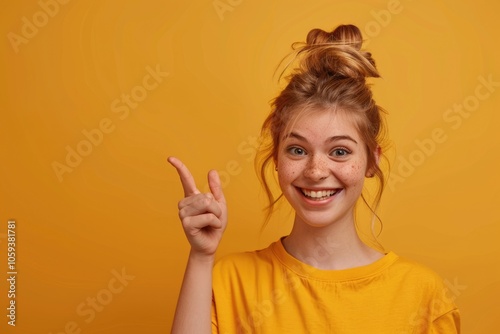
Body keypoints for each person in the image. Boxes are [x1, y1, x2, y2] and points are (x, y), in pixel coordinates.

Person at [168, 24, 461, 334]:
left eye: (339, 151)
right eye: (297, 150)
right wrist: (201, 257)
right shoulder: (229, 280)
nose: (315, 171)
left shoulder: (423, 295)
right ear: (277, 160)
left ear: (371, 162)